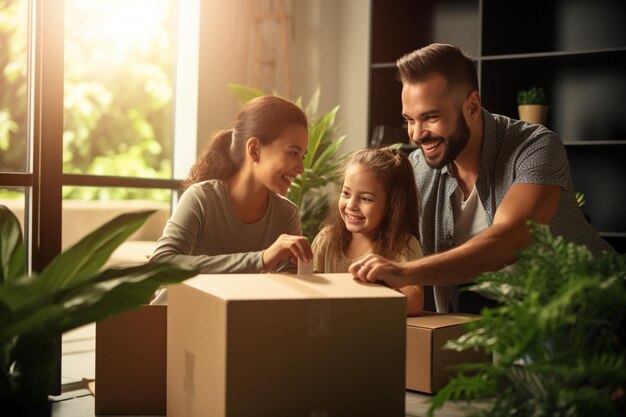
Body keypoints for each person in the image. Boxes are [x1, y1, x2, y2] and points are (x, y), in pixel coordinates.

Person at [350, 43, 614, 313]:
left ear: (473, 106)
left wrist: (406, 272)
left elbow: (510, 240)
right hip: (489, 320)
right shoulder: (420, 167)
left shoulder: (535, 147)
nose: (417, 134)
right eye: (410, 120)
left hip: (589, 317)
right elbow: (379, 227)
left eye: (430, 117)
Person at [150, 95, 313, 304]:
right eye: (293, 153)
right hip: (176, 321)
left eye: (303, 156)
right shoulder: (203, 198)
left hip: (238, 325)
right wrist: (260, 259)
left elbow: (290, 283)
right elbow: (161, 264)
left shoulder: (286, 213)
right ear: (254, 150)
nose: (301, 168)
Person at [312, 148, 425, 316]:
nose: (351, 205)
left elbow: (415, 303)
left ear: (391, 206)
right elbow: (309, 289)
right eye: (346, 193)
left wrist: (373, 289)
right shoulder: (326, 239)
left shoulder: (404, 244)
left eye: (365, 198)